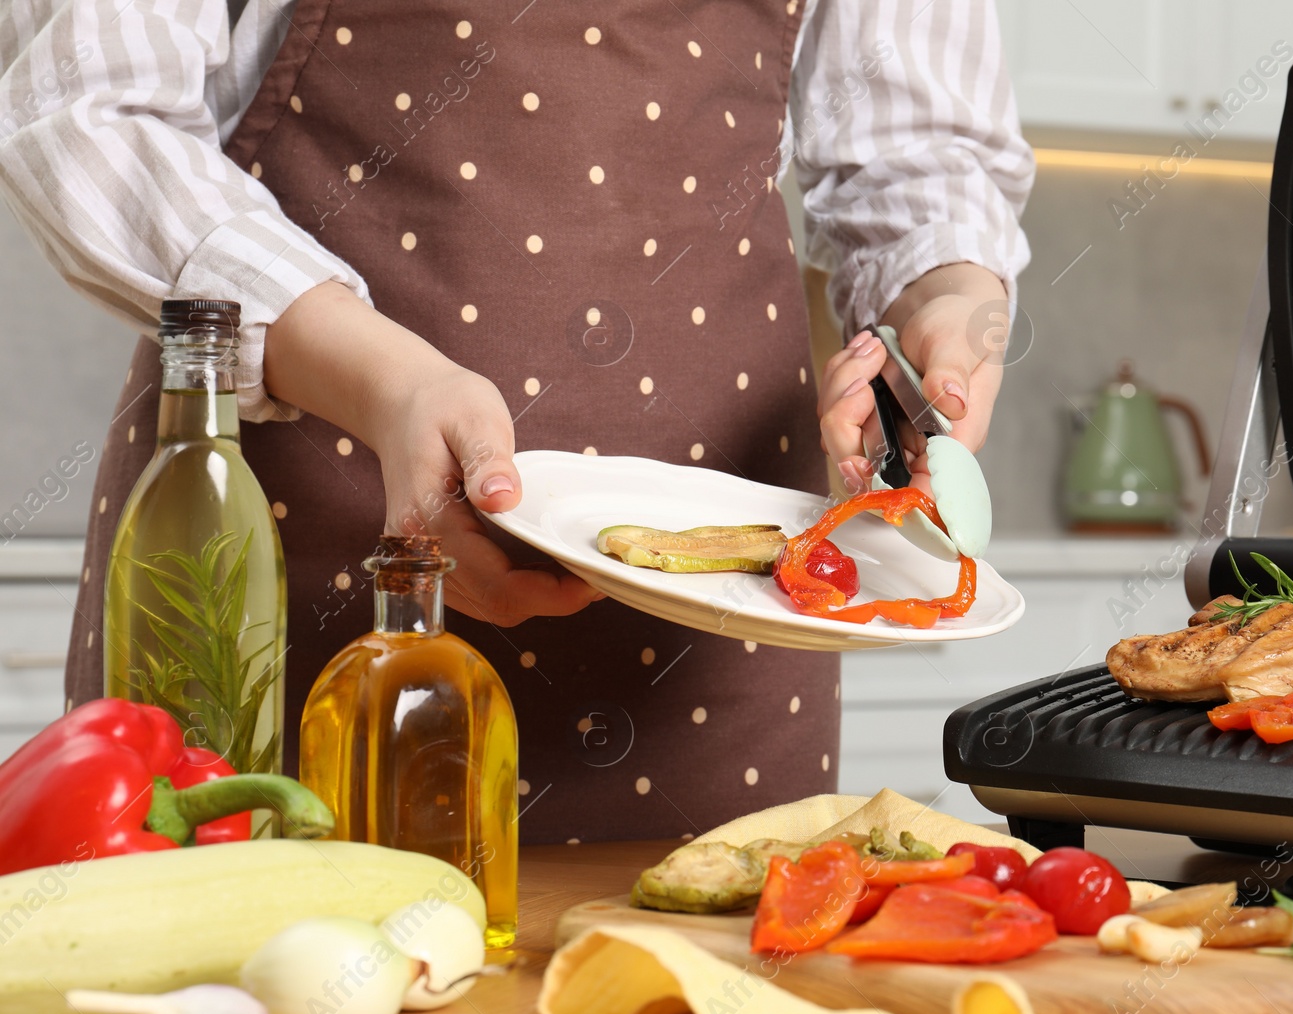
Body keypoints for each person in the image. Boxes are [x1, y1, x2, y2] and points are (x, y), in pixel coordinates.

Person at [0, 0, 1033, 842]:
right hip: (290, 540)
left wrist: (945, 303)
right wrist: (386, 384)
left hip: (722, 628)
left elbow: (925, 157)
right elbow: (90, 111)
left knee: (689, 1005)